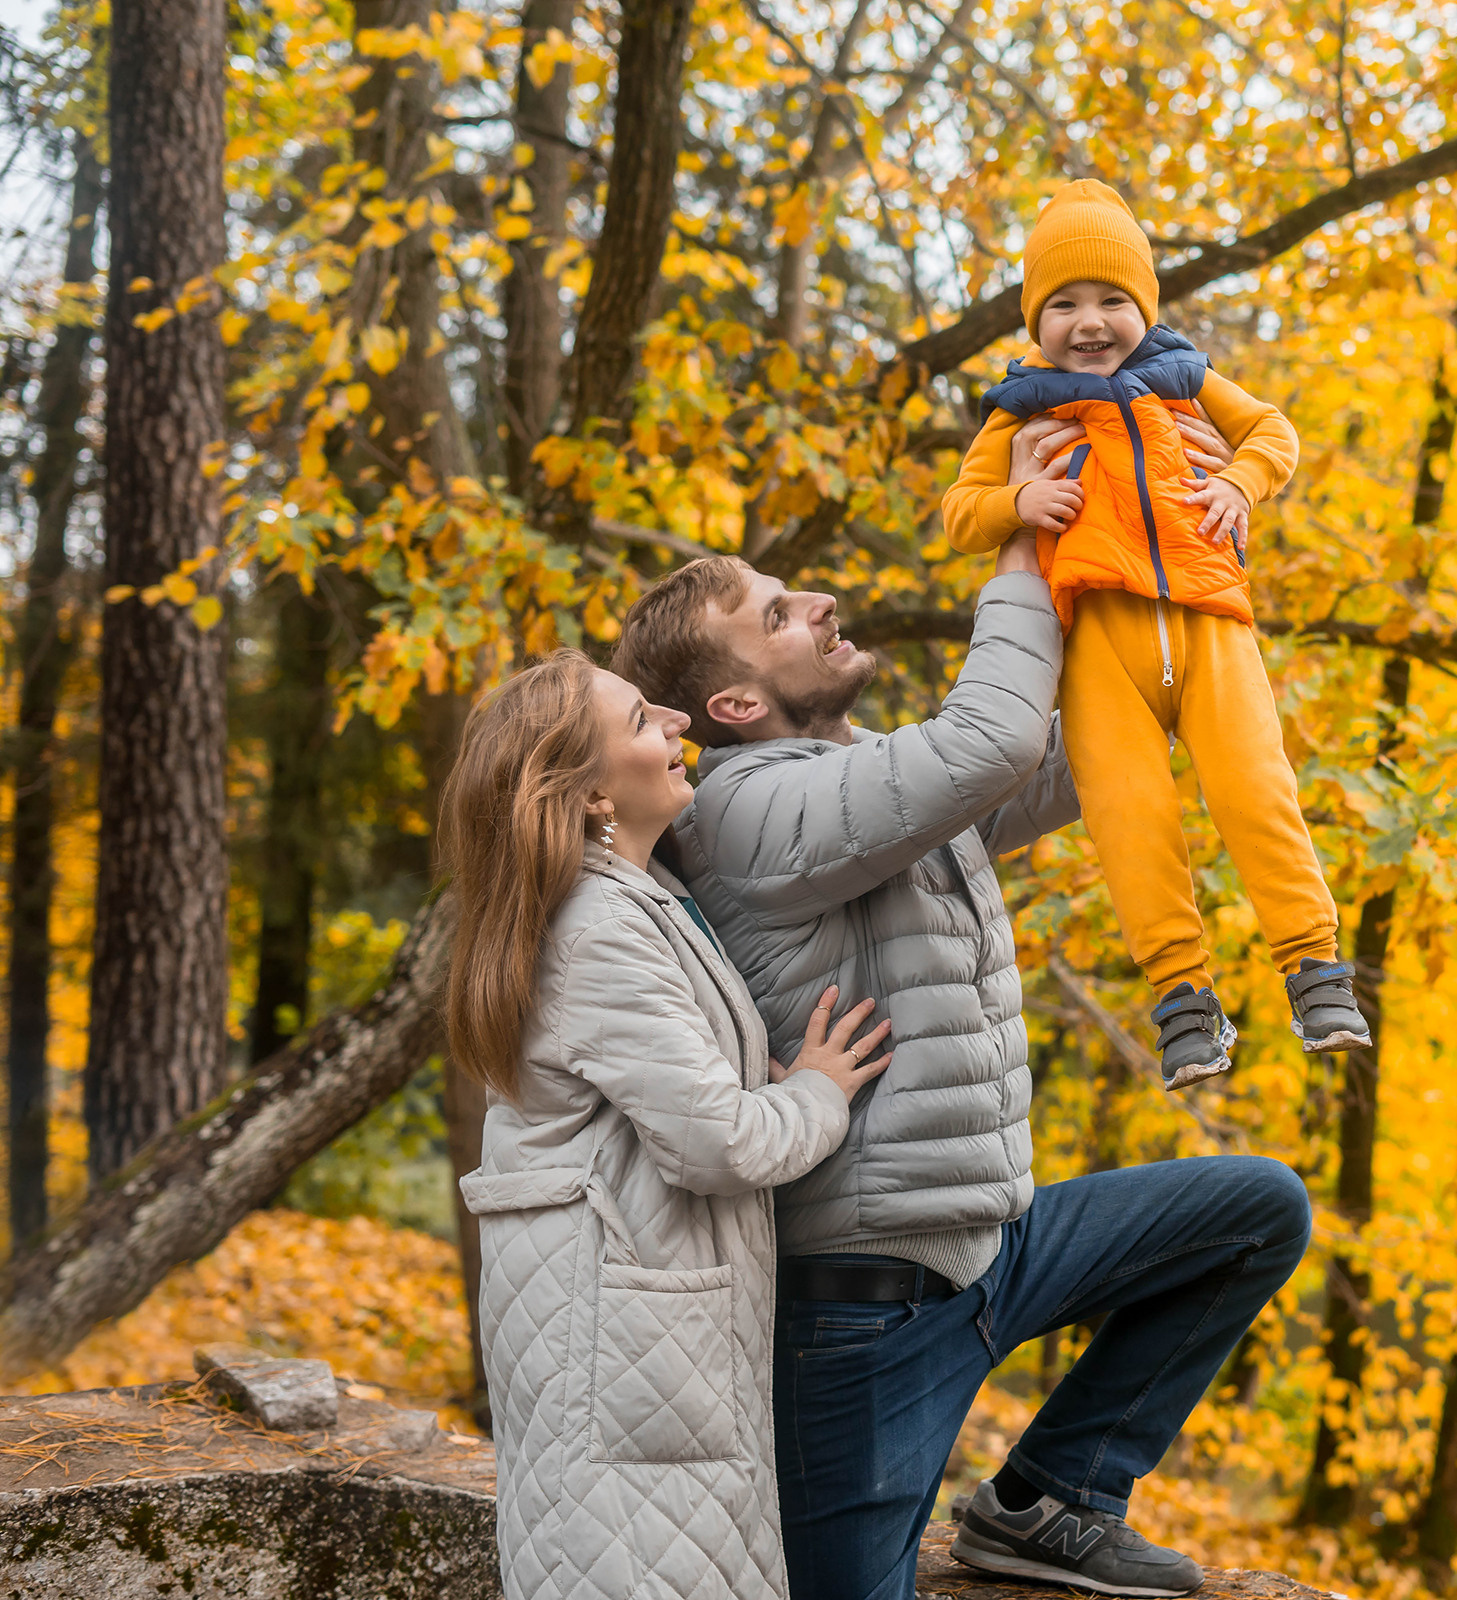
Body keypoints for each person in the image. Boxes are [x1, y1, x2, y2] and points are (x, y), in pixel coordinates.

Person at [610, 521, 1313, 1600]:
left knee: (1256, 1211)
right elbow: (992, 744)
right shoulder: (748, 811)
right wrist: (1019, 563)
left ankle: (1050, 1497)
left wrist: (1160, 616)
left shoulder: (864, 781)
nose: (819, 604)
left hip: (996, 1249)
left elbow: (1075, 756)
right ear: (737, 705)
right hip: (862, 1313)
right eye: (778, 614)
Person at [442, 651, 893, 1600]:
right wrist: (816, 1092)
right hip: (630, 1378)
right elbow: (717, 1143)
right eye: (644, 721)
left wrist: (749, 1083)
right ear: (591, 794)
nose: (681, 723)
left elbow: (670, 1102)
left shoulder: (633, 903)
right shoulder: (598, 926)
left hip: (637, 1367)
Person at [939, 178, 1373, 1091]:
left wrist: (1239, 483)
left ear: (1146, 306)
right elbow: (961, 512)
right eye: (1064, 304)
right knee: (1129, 818)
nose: (1090, 322)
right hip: (1099, 645)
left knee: (1256, 789)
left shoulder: (1184, 375)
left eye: (1112, 300)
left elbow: (1274, 433)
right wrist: (1020, 499)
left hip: (1211, 624)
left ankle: (1315, 969)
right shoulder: (1022, 407)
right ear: (1034, 319)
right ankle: (1182, 999)